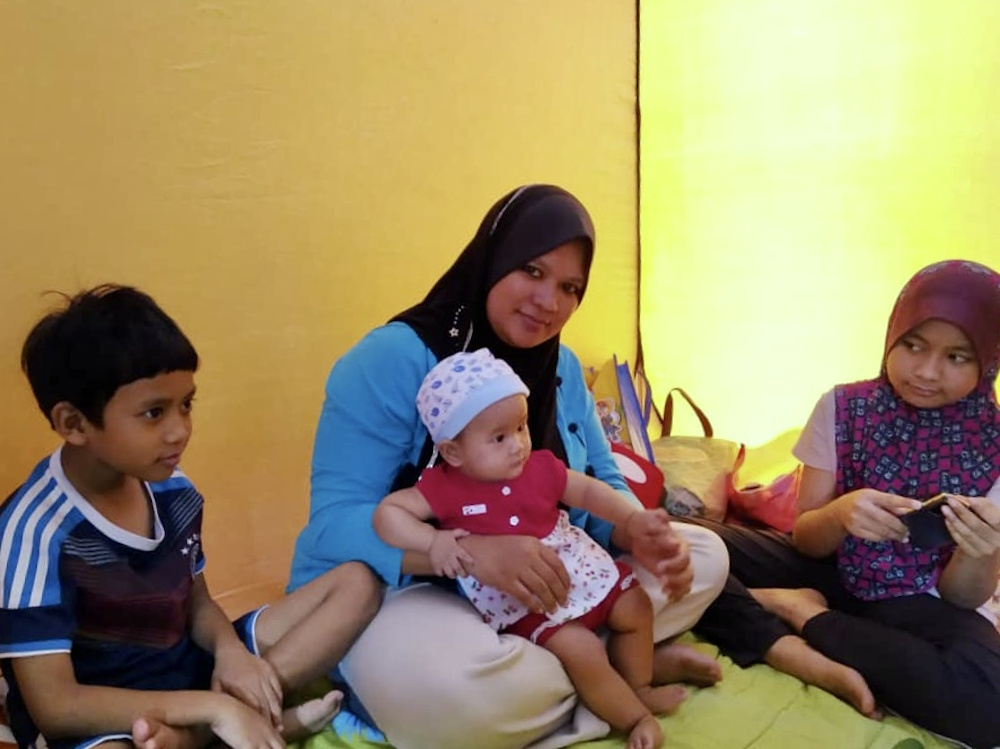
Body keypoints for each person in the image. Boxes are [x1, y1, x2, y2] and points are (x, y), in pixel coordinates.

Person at [288, 184, 730, 749]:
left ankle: (591, 670)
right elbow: (332, 524)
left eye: (570, 287)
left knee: (706, 553)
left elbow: (600, 480)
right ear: (492, 258)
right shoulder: (390, 359)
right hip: (408, 590)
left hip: (548, 577)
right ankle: (614, 669)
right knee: (458, 691)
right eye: (531, 270)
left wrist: (638, 531)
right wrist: (468, 554)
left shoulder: (562, 367)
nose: (550, 301)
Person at [0, 285, 383, 749]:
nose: (179, 430)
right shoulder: (33, 533)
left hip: (189, 669)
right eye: (153, 413)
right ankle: (238, 723)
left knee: (357, 584)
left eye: (186, 404)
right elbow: (56, 707)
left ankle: (219, 727)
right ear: (74, 424)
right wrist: (213, 706)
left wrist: (230, 654)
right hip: (109, 711)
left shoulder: (171, 486)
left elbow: (196, 599)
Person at [692, 260, 1000, 748]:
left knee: (990, 700)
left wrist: (979, 549)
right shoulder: (843, 407)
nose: (925, 371)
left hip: (919, 602)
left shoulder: (995, 444)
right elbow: (806, 541)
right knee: (673, 542)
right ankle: (794, 635)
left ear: (987, 361)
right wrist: (838, 515)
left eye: (956, 357)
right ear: (891, 337)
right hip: (834, 569)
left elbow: (963, 597)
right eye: (913, 345)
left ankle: (801, 618)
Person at [376, 348, 689, 749]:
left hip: (576, 566)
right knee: (582, 650)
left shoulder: (539, 466)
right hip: (525, 597)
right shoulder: (444, 485)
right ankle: (633, 716)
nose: (517, 445)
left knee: (637, 605)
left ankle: (638, 683)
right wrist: (432, 540)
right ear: (453, 451)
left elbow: (588, 490)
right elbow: (388, 514)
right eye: (499, 437)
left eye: (521, 428)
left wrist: (631, 519)